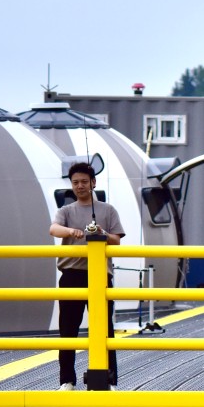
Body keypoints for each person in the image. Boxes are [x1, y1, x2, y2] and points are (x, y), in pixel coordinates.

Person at [50, 162, 125, 390]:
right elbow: (54, 229)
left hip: (100, 275)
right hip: (71, 274)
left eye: (84, 181)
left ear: (93, 182)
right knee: (68, 329)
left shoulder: (108, 210)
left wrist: (101, 233)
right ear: (71, 186)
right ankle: (67, 380)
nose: (80, 186)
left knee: (104, 330)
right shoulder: (66, 211)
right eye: (75, 183)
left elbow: (117, 239)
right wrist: (72, 231)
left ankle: (108, 379)